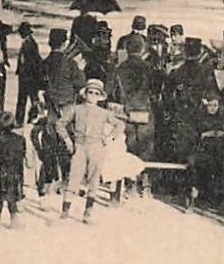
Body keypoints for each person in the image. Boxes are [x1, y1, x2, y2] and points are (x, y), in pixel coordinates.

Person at [58, 79, 117, 223]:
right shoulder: (76, 109)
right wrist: (67, 139)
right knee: (74, 178)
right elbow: (59, 123)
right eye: (90, 92)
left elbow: (119, 125)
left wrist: (109, 138)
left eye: (96, 93)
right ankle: (65, 212)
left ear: (100, 96)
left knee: (94, 180)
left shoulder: (104, 113)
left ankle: (88, 213)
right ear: (85, 94)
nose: (93, 95)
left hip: (96, 147)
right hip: (80, 147)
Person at [107, 41, 160, 194]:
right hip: (144, 111)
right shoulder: (149, 68)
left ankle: (129, 184)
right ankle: (145, 183)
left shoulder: (119, 68)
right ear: (142, 50)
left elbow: (112, 91)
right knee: (146, 146)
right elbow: (156, 89)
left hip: (126, 112)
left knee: (128, 146)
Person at [185, 90, 224, 210]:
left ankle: (217, 201)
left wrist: (221, 134)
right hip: (202, 148)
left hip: (217, 149)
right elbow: (193, 135)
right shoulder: (199, 118)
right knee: (196, 165)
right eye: (210, 105)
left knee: (222, 164)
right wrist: (206, 134)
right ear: (206, 105)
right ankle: (193, 199)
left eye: (215, 105)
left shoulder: (221, 119)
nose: (213, 108)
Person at [0, 112, 26, 229]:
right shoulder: (19, 139)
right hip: (13, 170)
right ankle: (14, 220)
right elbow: (21, 156)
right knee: (12, 195)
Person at [14, 23, 44, 124]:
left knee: (26, 98)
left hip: (28, 76)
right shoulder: (30, 42)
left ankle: (22, 119)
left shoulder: (29, 44)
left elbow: (32, 62)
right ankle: (30, 117)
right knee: (31, 97)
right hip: (27, 75)